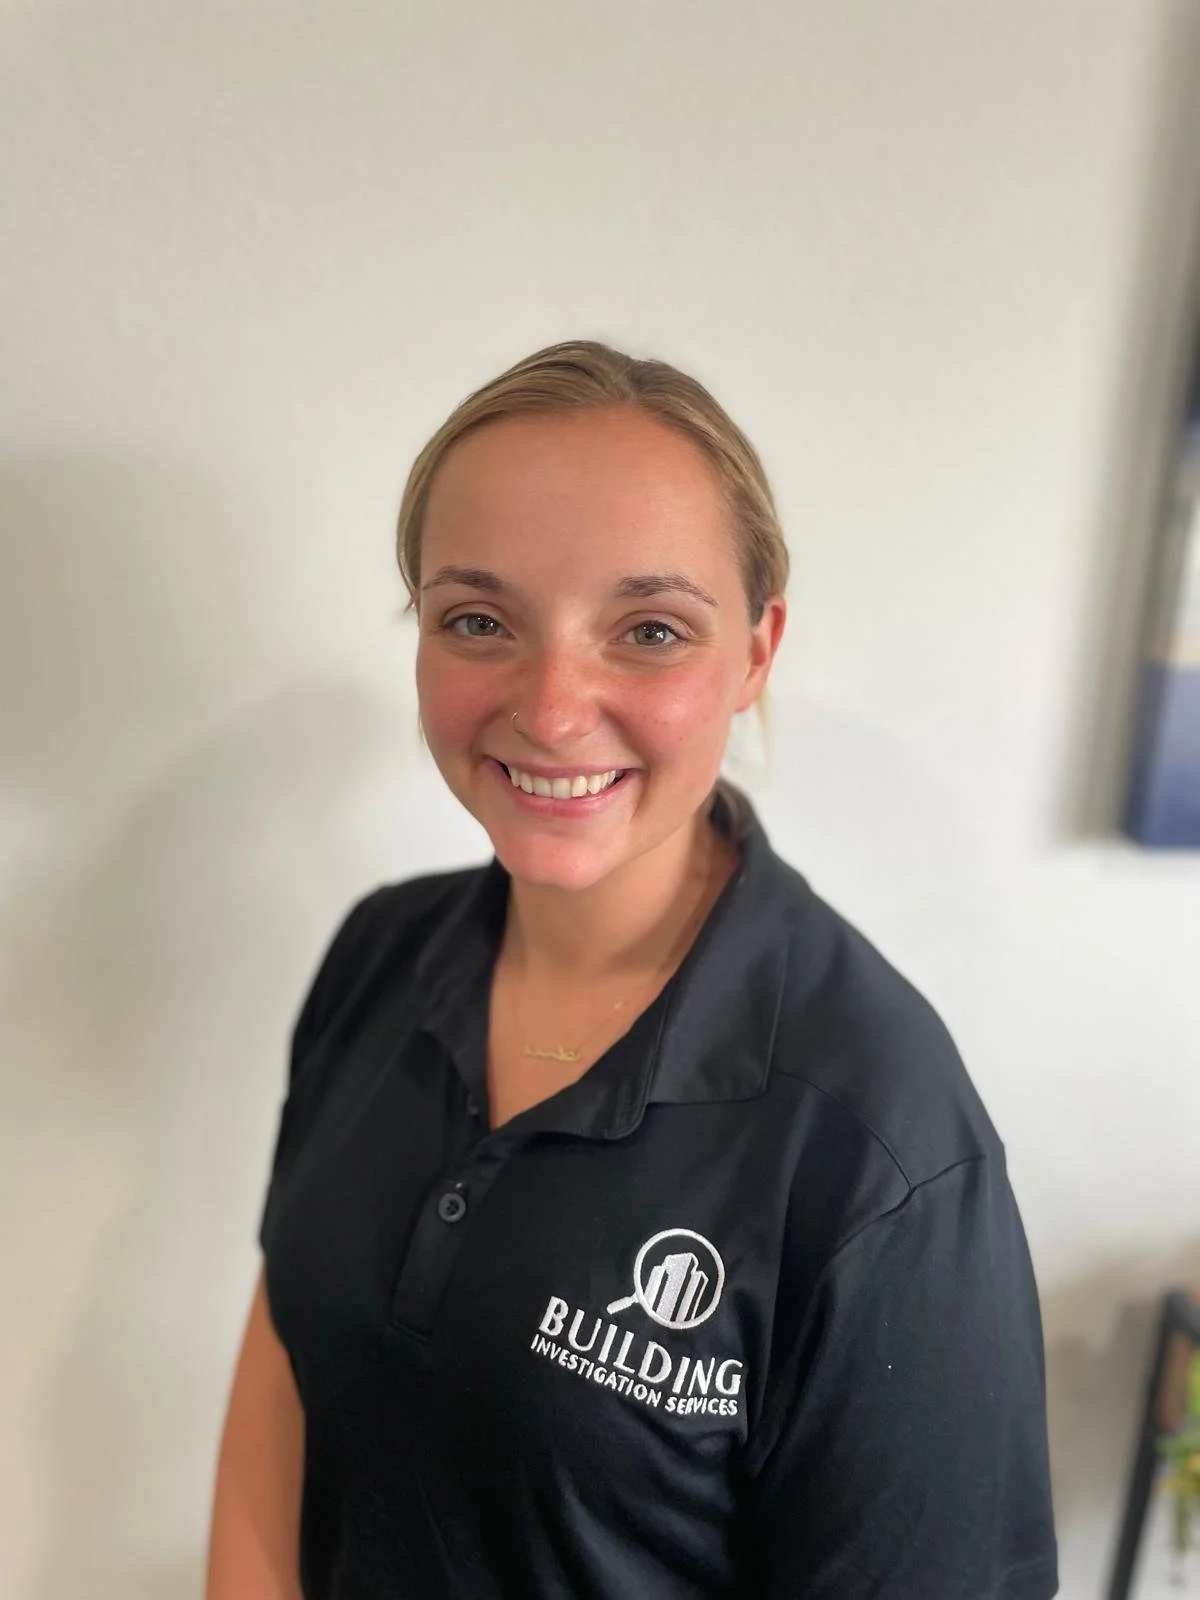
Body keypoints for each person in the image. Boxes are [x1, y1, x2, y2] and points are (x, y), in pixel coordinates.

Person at [206, 339, 1059, 1599]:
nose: (553, 710)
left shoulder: (882, 1144)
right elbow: (289, 1352)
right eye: (479, 620)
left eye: (649, 630)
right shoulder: (377, 956)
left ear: (756, 652)